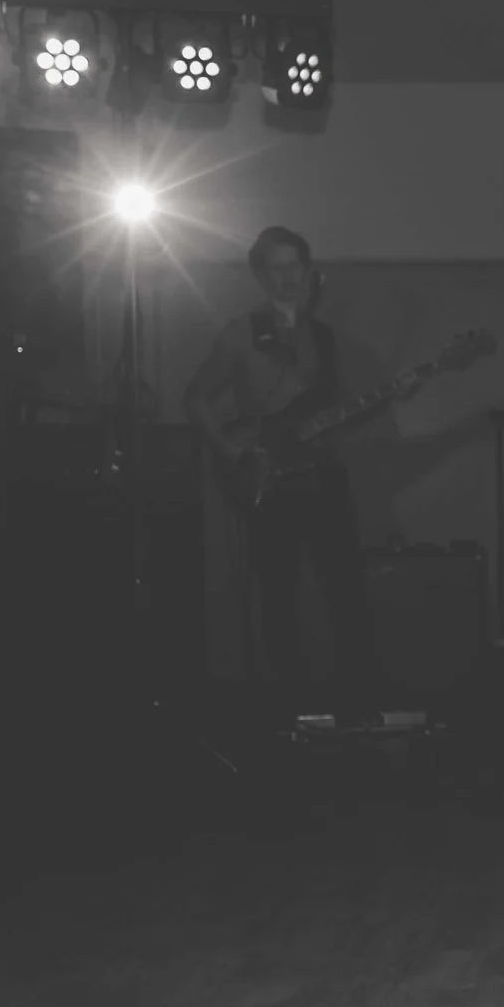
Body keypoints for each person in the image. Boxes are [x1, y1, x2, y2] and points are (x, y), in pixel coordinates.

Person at [183, 225, 377, 714]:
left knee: (347, 591)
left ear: (309, 273)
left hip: (322, 475)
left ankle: (354, 706)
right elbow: (196, 398)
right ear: (259, 274)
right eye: (275, 267)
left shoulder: (326, 340)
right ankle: (288, 709)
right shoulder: (241, 333)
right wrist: (234, 454)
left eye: (294, 267)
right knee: (278, 595)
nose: (286, 278)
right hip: (269, 483)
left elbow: (330, 411)